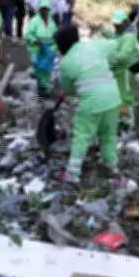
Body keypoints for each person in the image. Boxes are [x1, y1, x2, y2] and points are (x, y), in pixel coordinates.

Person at [53, 26, 122, 183]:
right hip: (113, 98)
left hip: (92, 103)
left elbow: (69, 89)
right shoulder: (94, 45)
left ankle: (72, 173)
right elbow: (114, 45)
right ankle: (112, 167)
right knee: (108, 135)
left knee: (82, 136)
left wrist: (68, 91)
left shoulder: (66, 63)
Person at [104, 9, 139, 135]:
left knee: (125, 98)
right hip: (119, 71)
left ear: (125, 22)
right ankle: (121, 120)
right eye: (114, 24)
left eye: (118, 24)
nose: (116, 26)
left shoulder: (129, 36)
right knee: (118, 97)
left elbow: (123, 55)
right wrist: (105, 33)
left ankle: (128, 123)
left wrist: (109, 60)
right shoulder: (120, 33)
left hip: (127, 70)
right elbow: (116, 40)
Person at [25, 0, 60, 96]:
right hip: (37, 48)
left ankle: (46, 88)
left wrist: (54, 47)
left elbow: (56, 36)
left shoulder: (52, 21)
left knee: (47, 70)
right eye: (42, 9)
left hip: (48, 49)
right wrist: (35, 40)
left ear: (49, 10)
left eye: (46, 9)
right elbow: (28, 35)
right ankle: (42, 88)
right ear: (39, 9)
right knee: (39, 69)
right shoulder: (34, 21)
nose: (44, 11)